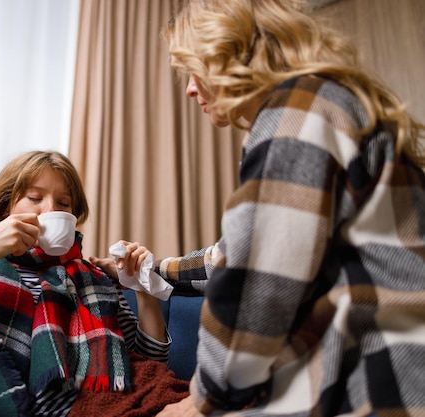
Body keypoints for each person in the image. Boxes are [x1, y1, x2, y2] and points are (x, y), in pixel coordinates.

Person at [97, 0, 425, 416]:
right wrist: (150, 271)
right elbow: (229, 257)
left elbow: (257, 289)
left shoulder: (296, 116)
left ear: (229, 54)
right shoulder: (319, 103)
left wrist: (199, 402)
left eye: (194, 69)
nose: (190, 88)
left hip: (381, 383)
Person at [0, 150, 188, 417]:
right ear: (6, 206)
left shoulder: (94, 279)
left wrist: (142, 288)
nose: (51, 210)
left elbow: (146, 369)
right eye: (35, 198)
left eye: (64, 202)